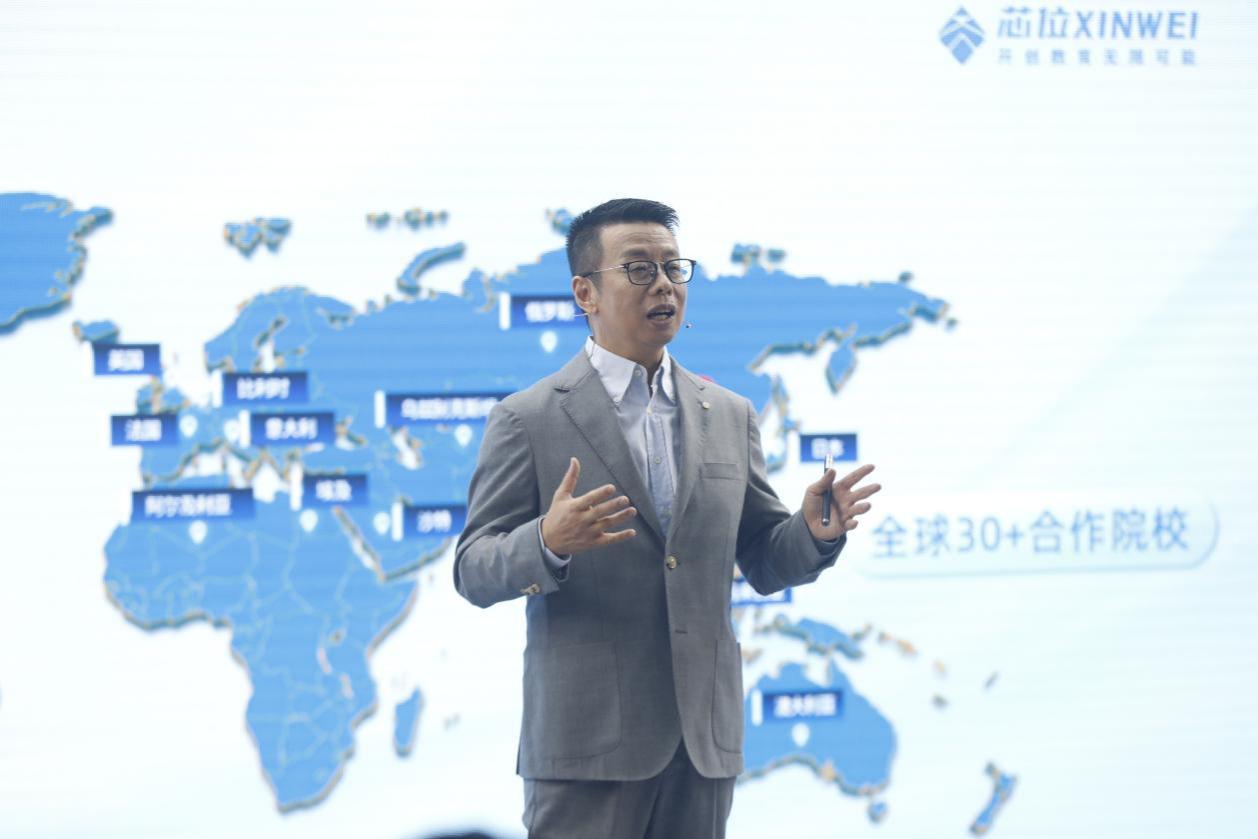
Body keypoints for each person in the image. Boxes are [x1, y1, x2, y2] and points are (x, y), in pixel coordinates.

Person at [453, 198, 880, 838]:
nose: (664, 285)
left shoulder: (729, 414)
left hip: (701, 743)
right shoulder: (529, 418)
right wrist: (547, 540)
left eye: (674, 268)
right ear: (585, 293)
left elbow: (764, 559)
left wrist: (814, 534)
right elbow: (473, 569)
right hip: (589, 745)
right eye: (639, 268)